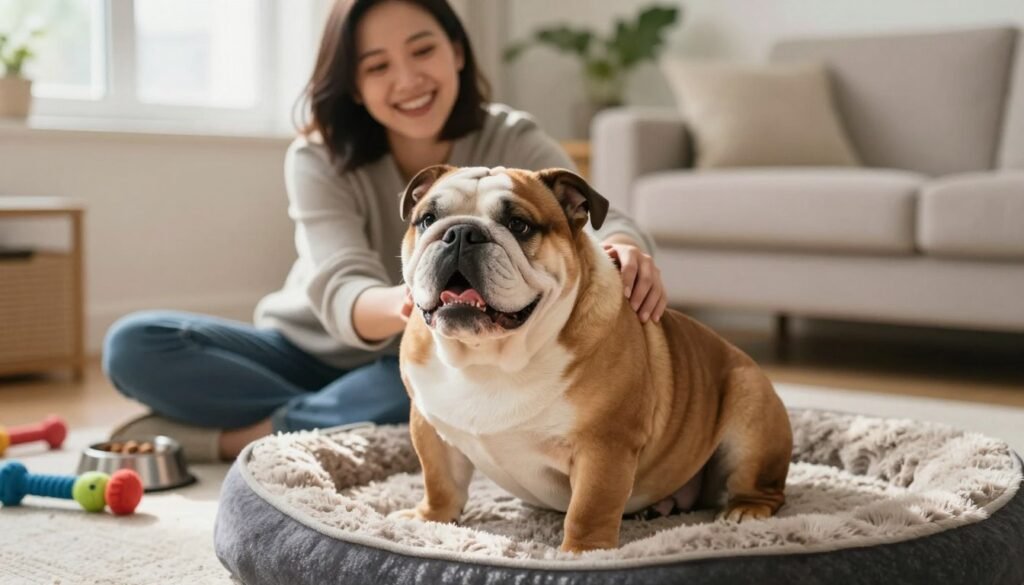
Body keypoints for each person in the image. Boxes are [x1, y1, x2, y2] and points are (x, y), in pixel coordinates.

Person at [102, 0, 666, 463]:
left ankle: (242, 436)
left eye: (422, 50)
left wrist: (625, 248)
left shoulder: (511, 137)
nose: (408, 79)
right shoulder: (318, 156)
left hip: (446, 347)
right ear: (353, 86)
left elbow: (597, 219)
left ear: (457, 51)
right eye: (377, 66)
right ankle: (330, 417)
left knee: (434, 382)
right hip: (306, 346)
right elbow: (340, 285)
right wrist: (426, 293)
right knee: (135, 343)